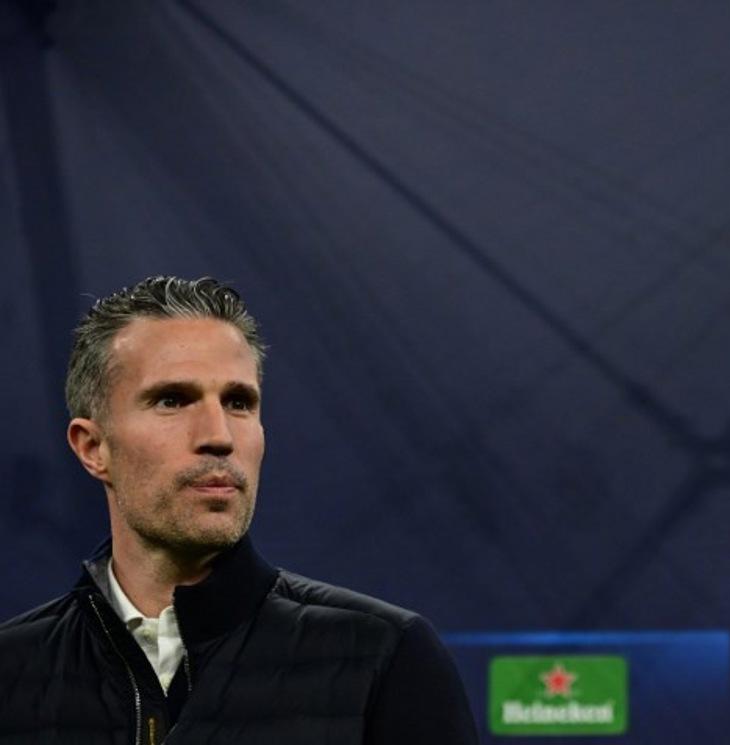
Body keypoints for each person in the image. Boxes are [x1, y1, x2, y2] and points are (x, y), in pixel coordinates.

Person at [0, 276, 478, 744]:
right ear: (93, 448)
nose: (219, 435)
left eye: (239, 402)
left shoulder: (381, 655)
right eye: (172, 400)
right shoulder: (12, 671)